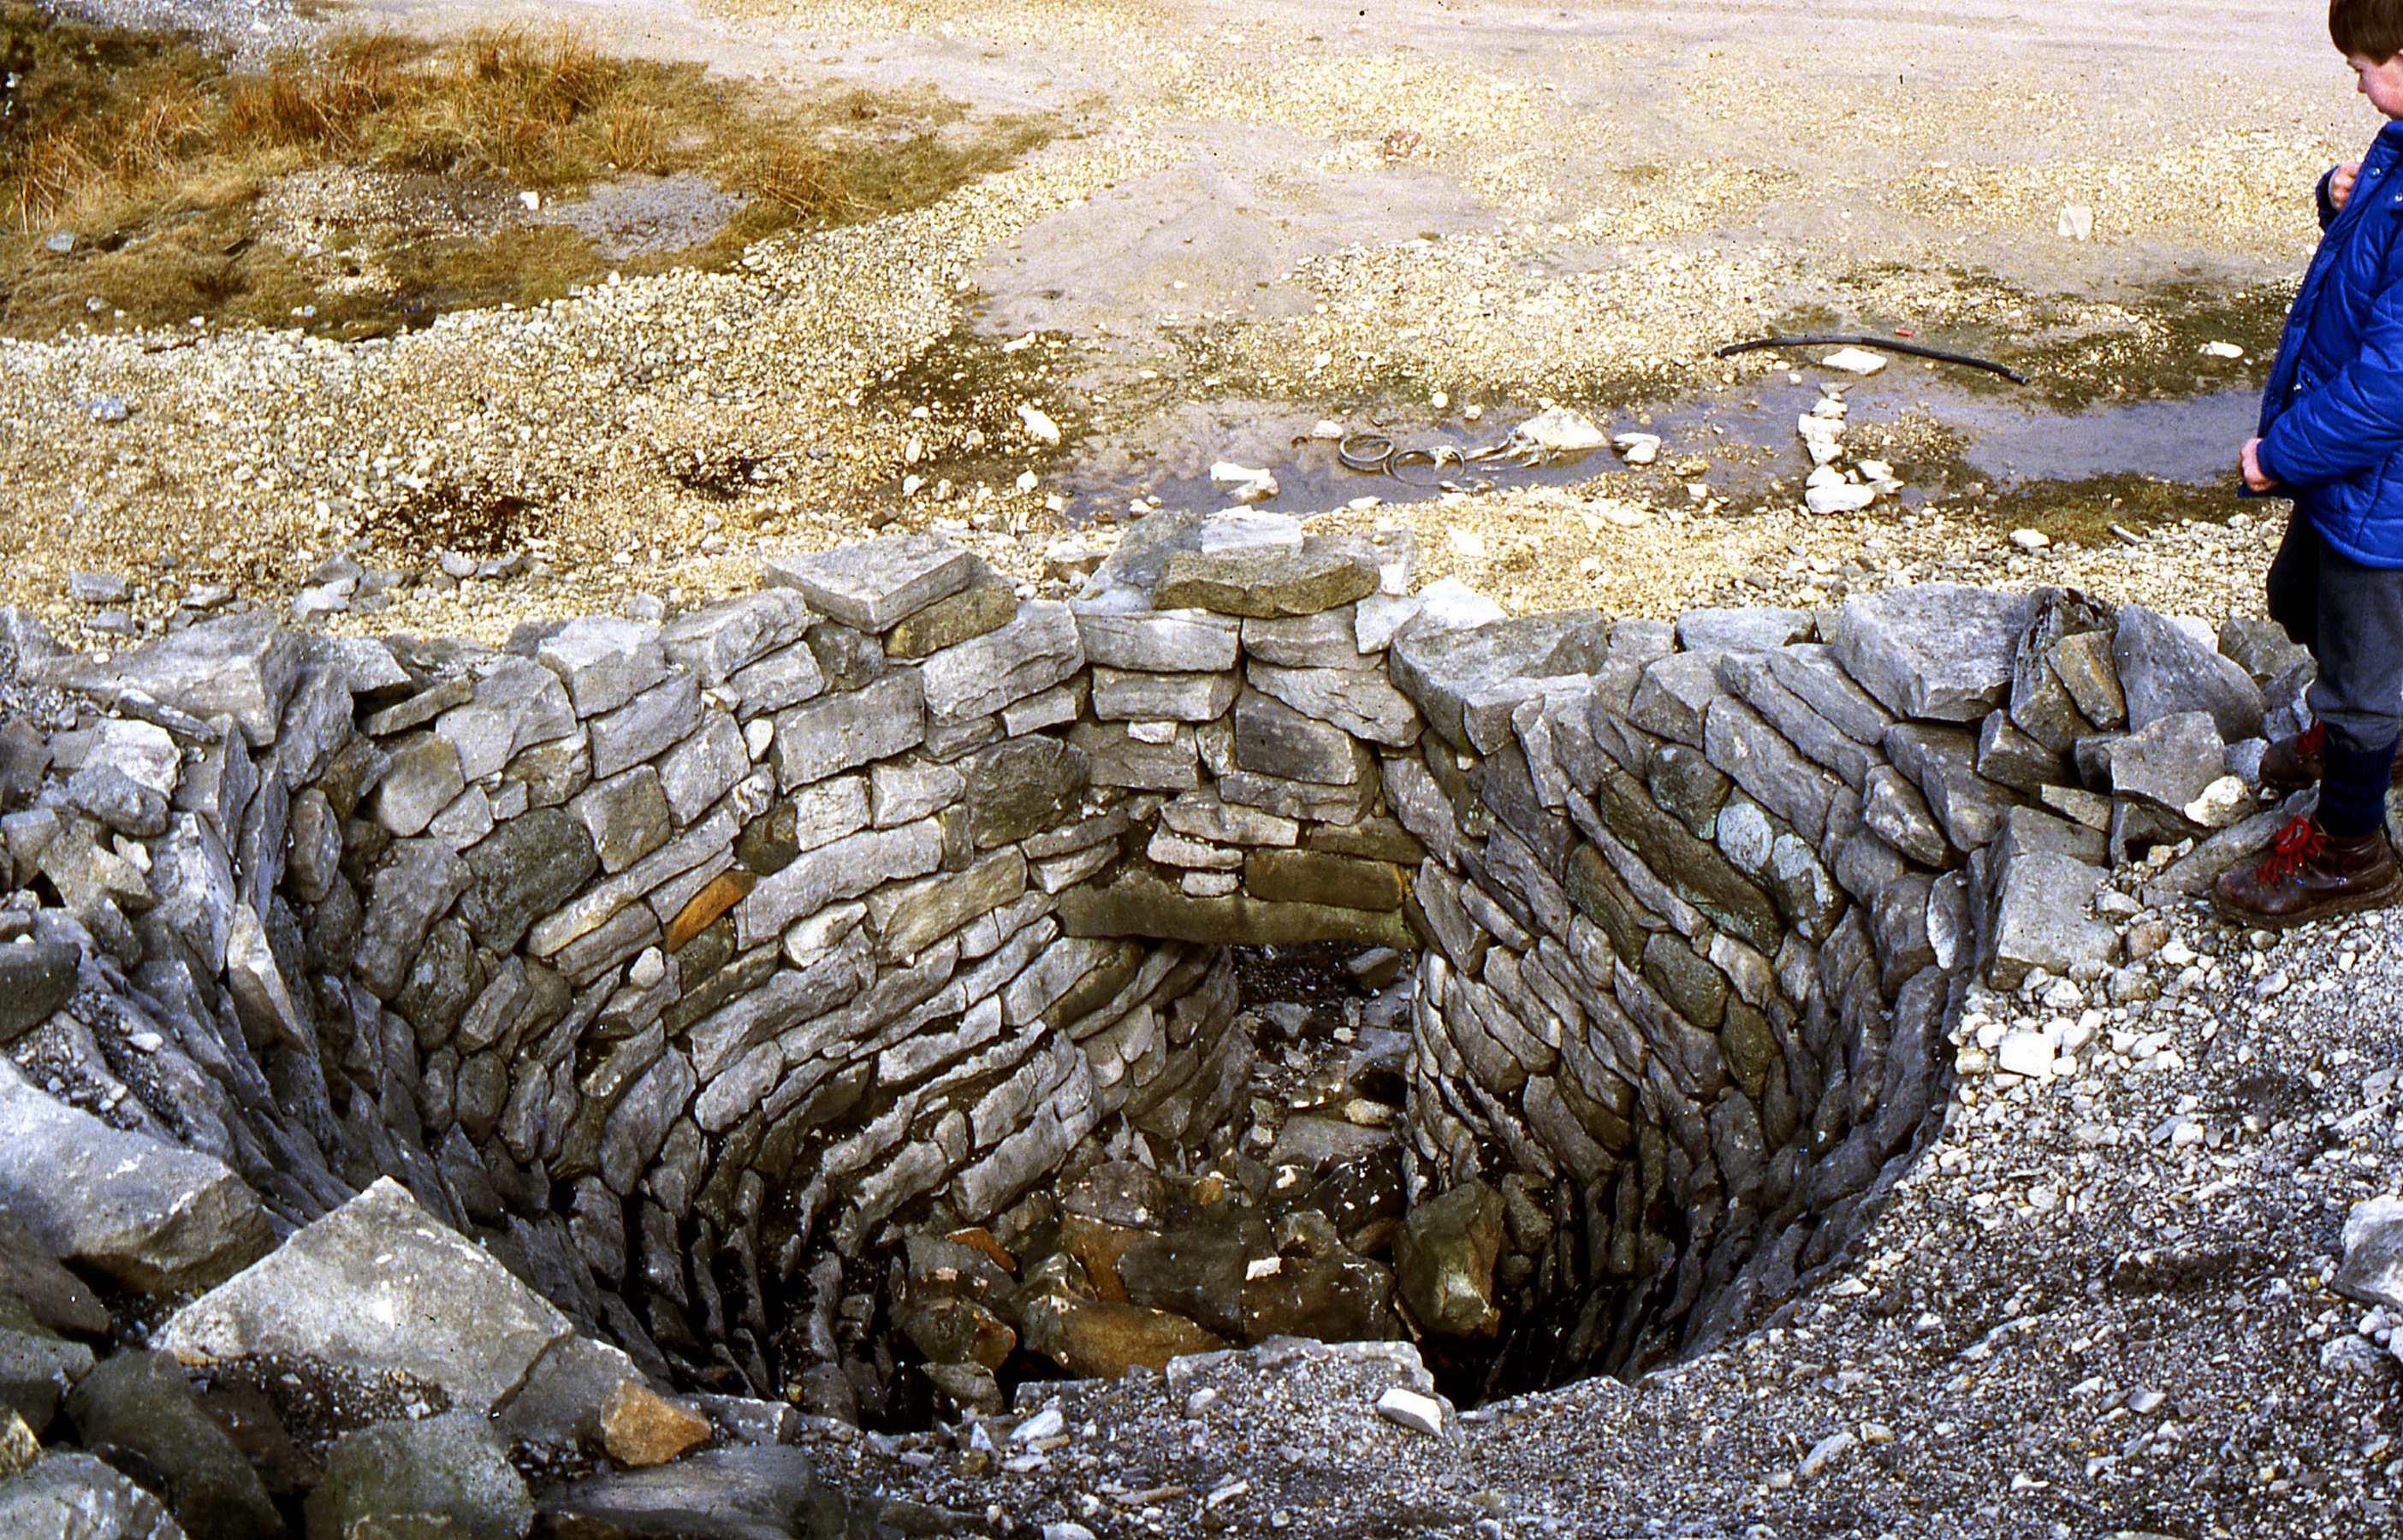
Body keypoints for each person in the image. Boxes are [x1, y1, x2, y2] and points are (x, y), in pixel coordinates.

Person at [2220, 0, 2403, 926]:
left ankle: (2351, 852)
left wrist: (2277, 454)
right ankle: (2363, 730)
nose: (2360, 87)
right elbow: (2359, 265)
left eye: (2367, 68)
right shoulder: (2399, 151)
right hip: (2357, 483)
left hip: (2385, 494)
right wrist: (2338, 197)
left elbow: (2389, 391)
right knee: (2295, 597)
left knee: (2366, 676)